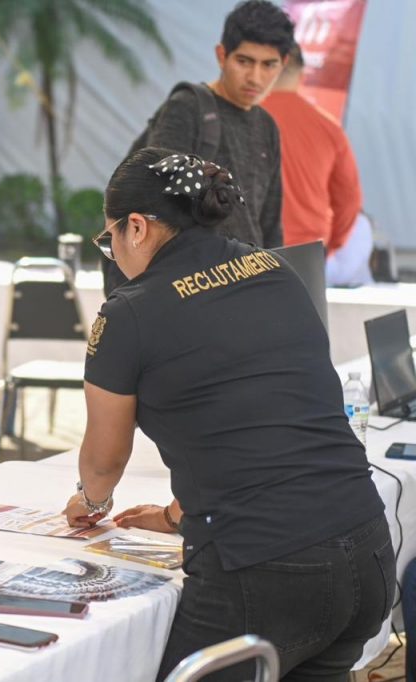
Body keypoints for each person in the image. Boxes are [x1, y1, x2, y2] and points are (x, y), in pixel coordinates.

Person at [64, 147, 393, 680]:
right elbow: (258, 421)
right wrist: (175, 515)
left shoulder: (129, 312)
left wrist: (90, 502)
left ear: (137, 227)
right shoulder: (275, 269)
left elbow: (105, 460)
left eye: (110, 239)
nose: (114, 255)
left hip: (265, 569)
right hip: (365, 542)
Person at [144, 0, 291, 249]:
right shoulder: (187, 108)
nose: (255, 78)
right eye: (244, 61)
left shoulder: (267, 127)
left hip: (250, 268)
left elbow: (270, 224)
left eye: (269, 64)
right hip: (194, 267)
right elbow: (156, 205)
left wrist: (277, 270)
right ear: (222, 56)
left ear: (283, 64)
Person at [262, 42, 362, 256]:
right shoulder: (329, 128)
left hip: (247, 252)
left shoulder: (237, 117)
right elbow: (349, 199)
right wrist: (332, 245)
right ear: (302, 76)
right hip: (306, 252)